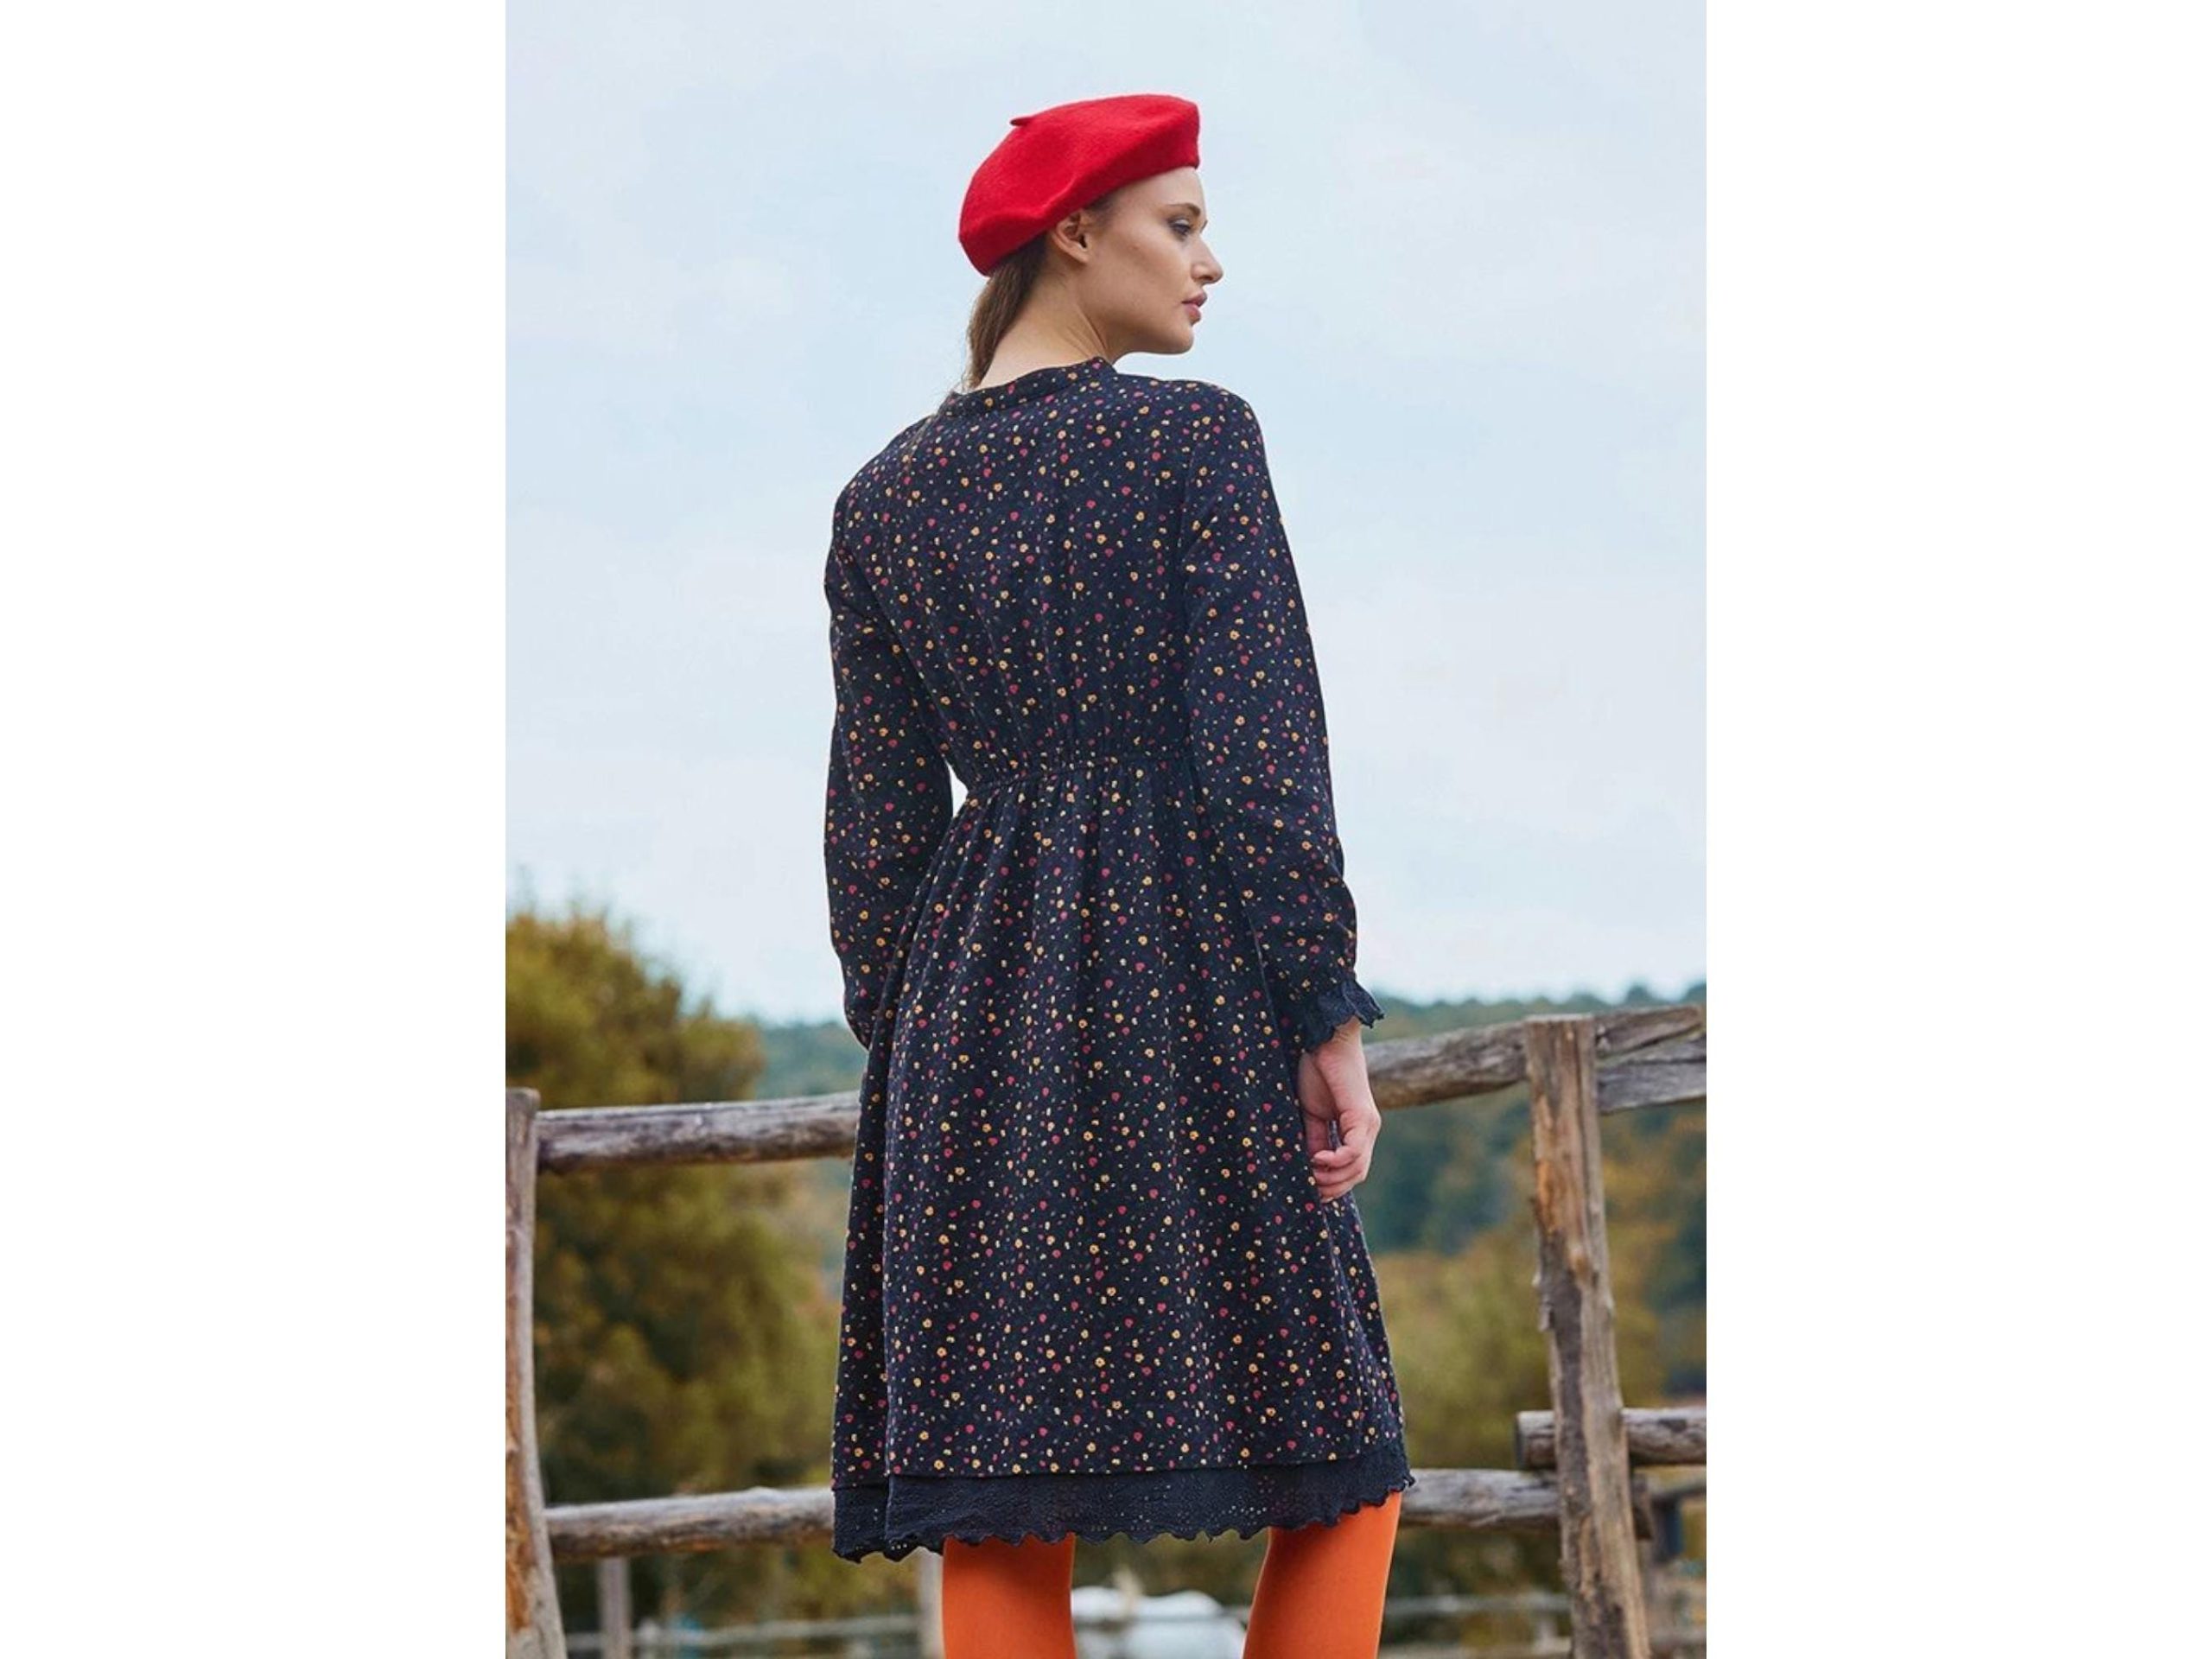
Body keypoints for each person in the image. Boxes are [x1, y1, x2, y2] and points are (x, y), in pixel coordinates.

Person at [822, 92, 1409, 1658]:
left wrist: (923, 1051)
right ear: (1075, 235)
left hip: (968, 1025)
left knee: (1004, 1498)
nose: (1211, 263)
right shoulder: (1193, 440)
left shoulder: (881, 503)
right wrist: (1324, 1010)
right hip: (1186, 983)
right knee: (1340, 1459)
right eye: (1183, 224)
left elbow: (874, 842)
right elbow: (1262, 751)